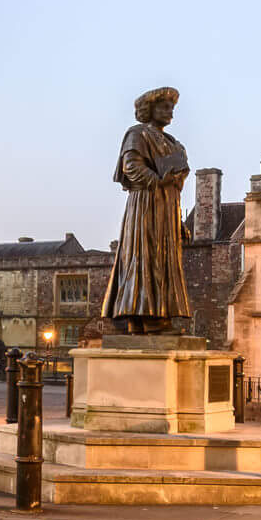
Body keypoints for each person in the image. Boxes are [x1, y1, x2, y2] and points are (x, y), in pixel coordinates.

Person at [98, 87, 193, 334]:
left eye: (172, 107)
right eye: (164, 106)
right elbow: (131, 167)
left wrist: (178, 221)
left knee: (164, 260)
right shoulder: (137, 134)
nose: (169, 111)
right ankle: (146, 319)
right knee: (144, 257)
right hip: (145, 204)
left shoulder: (174, 143)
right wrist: (158, 180)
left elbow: (177, 184)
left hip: (168, 206)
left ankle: (158, 316)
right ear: (149, 110)